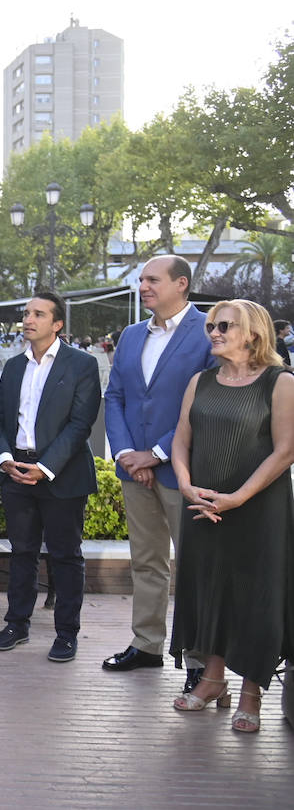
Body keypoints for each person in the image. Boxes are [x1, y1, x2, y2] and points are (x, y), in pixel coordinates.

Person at [169, 300, 294, 733]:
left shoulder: (280, 383)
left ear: (254, 334)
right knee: (210, 592)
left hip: (258, 511)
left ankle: (251, 692)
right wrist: (185, 485)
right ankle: (212, 680)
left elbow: (286, 451)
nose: (214, 332)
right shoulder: (200, 381)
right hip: (203, 507)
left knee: (255, 597)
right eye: (211, 326)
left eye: (225, 325)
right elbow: (181, 439)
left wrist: (239, 497)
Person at [101, 256, 214, 684]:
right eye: (141, 279)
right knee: (146, 563)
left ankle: (200, 661)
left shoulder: (208, 332)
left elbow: (207, 401)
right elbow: (115, 396)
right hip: (136, 471)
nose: (143, 286)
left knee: (193, 566)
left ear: (181, 284)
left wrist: (159, 453)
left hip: (184, 472)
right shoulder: (131, 335)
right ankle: (146, 645)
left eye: (152, 279)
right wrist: (128, 452)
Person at [0, 291, 101, 663]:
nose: (28, 319)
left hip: (61, 476)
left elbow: (80, 424)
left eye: (38, 314)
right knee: (21, 553)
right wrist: (5, 458)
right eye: (26, 313)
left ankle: (66, 634)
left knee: (66, 556)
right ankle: (16, 624)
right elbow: (0, 420)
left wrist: (45, 468)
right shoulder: (13, 366)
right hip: (16, 471)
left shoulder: (81, 365)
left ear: (57, 324)